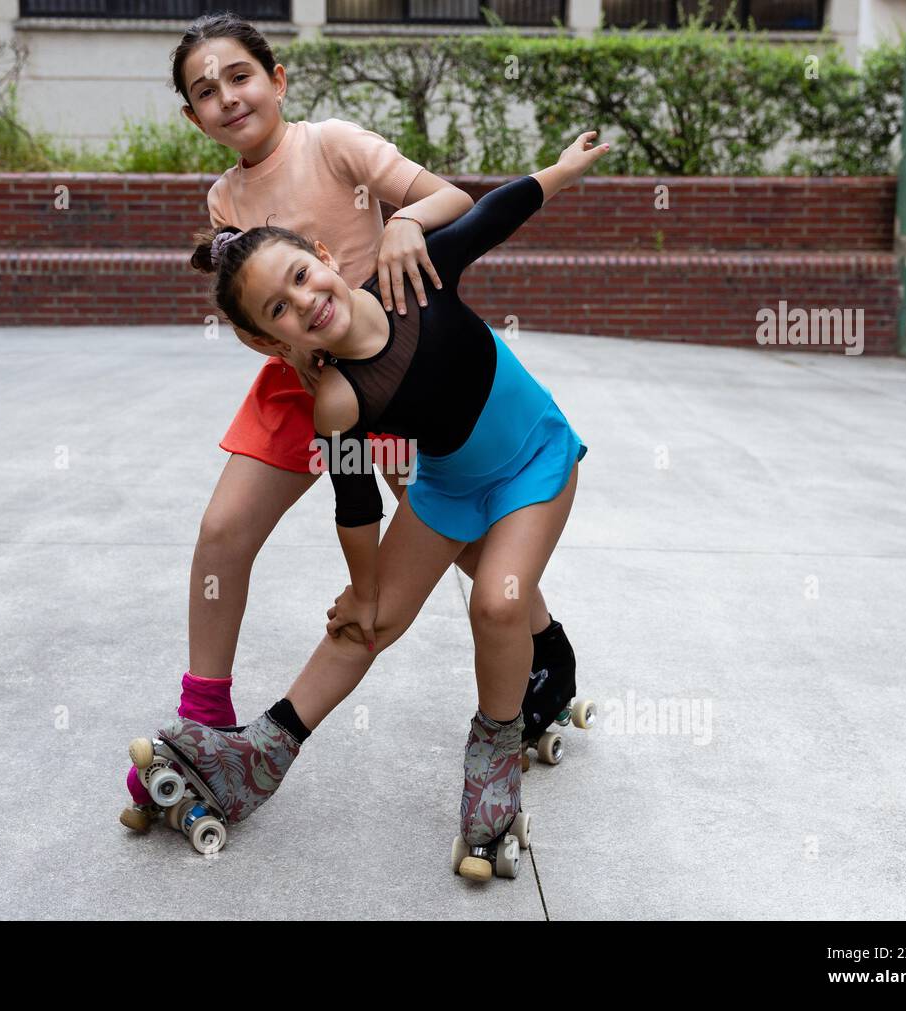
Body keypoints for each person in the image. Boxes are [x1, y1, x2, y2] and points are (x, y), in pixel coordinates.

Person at [127, 13, 580, 805]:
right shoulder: (223, 199)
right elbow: (250, 313)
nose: (228, 98)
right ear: (193, 116)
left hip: (390, 350)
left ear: (277, 78)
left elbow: (452, 201)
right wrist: (285, 353)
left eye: (239, 76)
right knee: (225, 530)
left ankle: (541, 653)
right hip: (302, 371)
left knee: (468, 548)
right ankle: (211, 719)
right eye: (206, 91)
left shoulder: (331, 142)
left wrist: (404, 221)